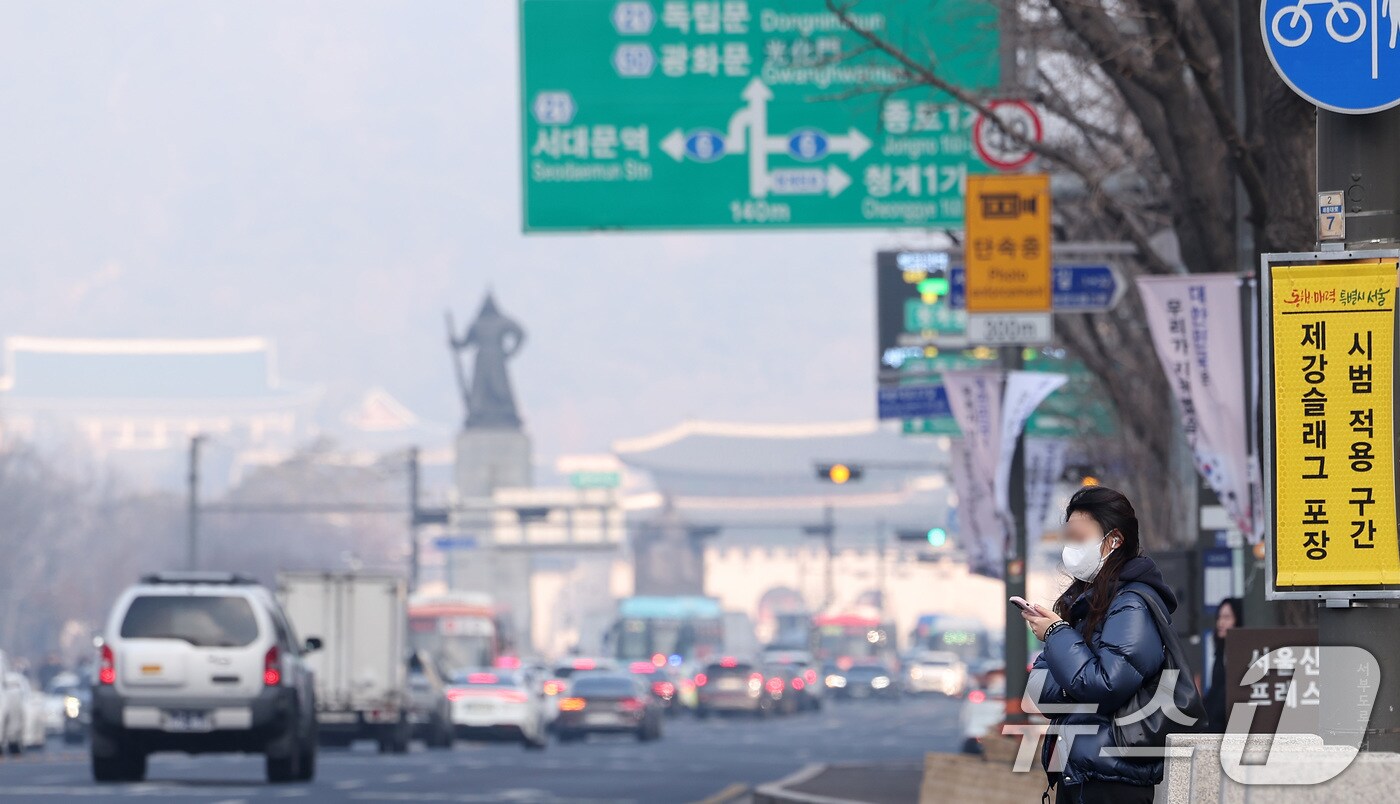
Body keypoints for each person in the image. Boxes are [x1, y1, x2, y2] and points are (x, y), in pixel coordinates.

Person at [1021, 486, 1181, 804]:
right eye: (1069, 538)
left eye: (1080, 539)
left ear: (1114, 541)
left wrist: (1055, 633)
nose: (1071, 548)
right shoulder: (1079, 604)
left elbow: (1106, 684)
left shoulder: (1132, 605)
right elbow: (1038, 691)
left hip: (1115, 781)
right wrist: (1074, 676)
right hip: (1080, 775)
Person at [1202, 598, 1243, 732]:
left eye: (1227, 617)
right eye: (1219, 617)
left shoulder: (1243, 654)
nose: (1220, 623)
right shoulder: (1220, 653)